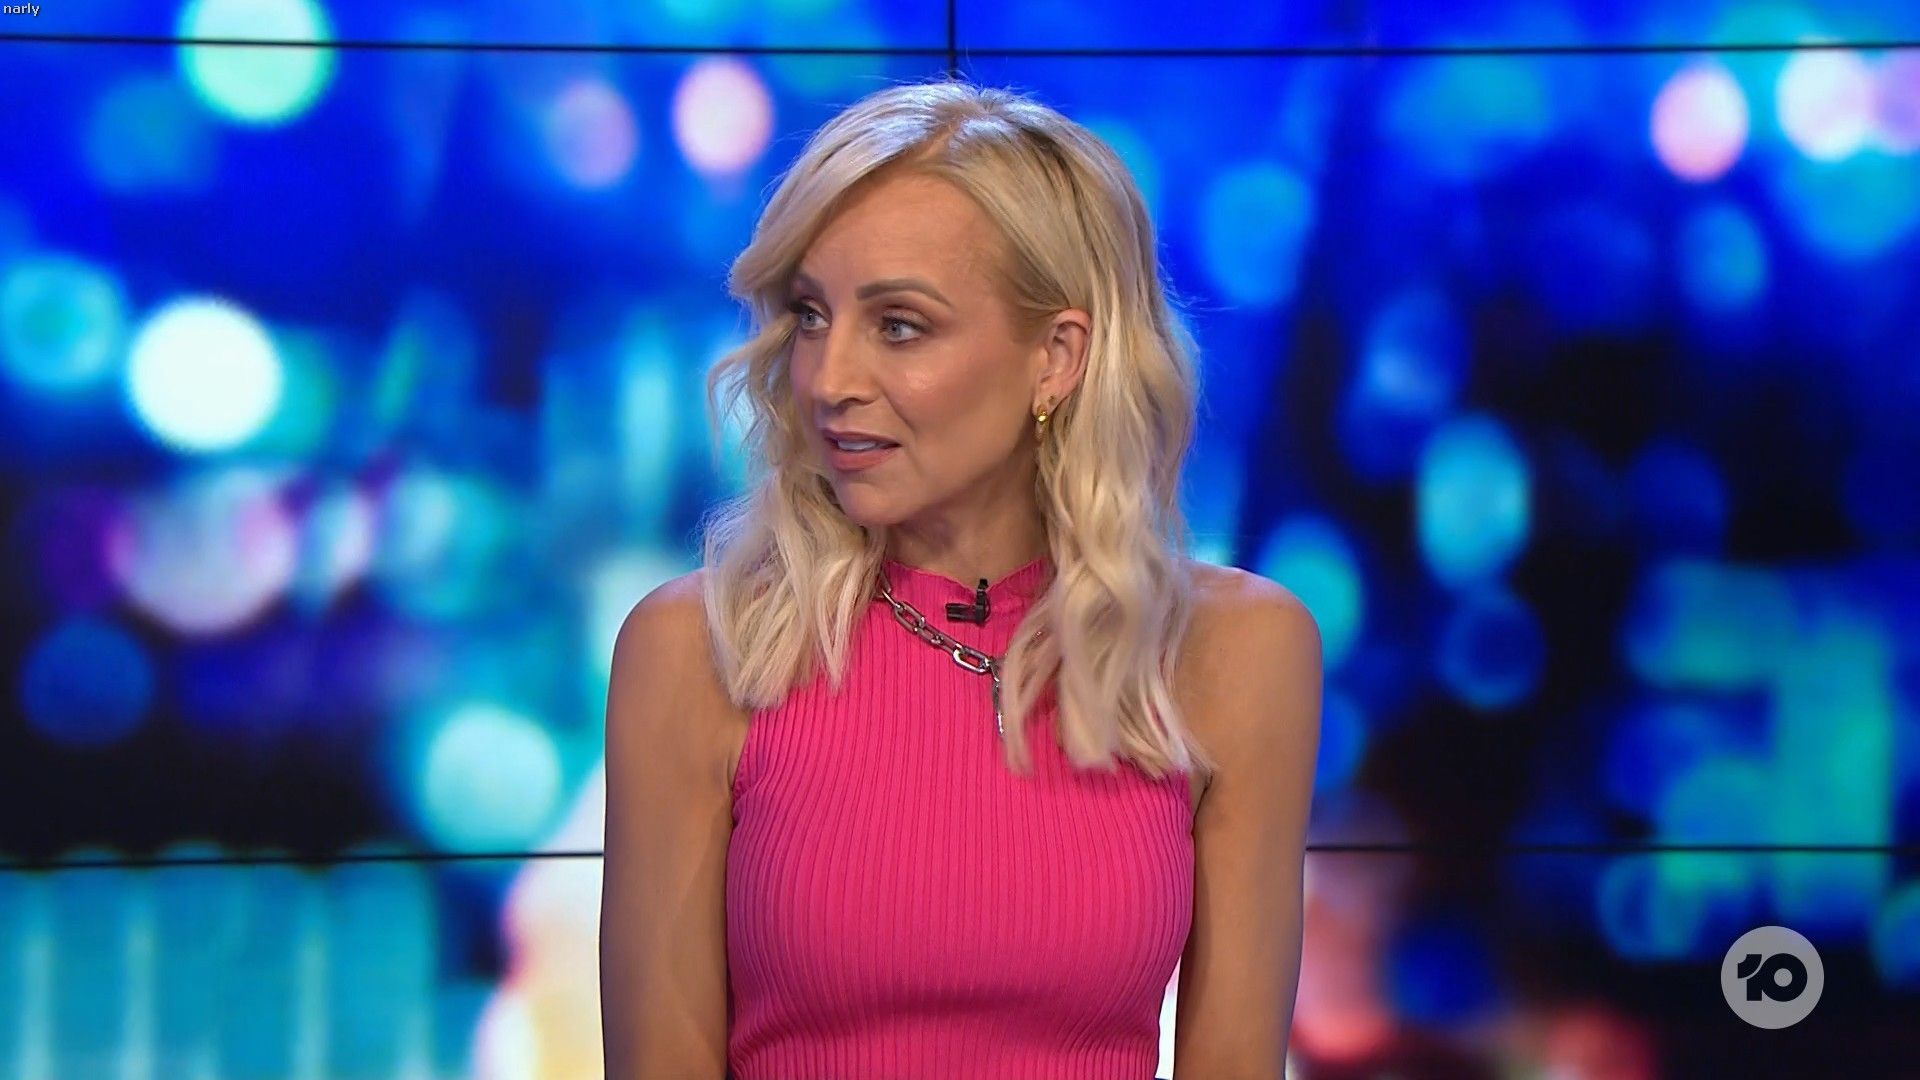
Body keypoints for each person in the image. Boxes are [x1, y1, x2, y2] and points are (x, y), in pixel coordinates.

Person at [600, 77, 1322, 1080]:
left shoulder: (1230, 653)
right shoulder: (703, 649)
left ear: (1056, 358)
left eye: (899, 326)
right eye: (810, 315)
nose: (828, 379)